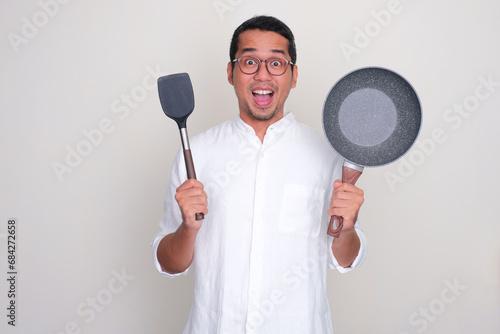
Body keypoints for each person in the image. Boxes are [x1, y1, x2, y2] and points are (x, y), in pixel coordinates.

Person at [151, 15, 367, 333]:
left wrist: (347, 229)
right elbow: (170, 263)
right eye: (249, 61)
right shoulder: (196, 154)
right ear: (231, 72)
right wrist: (187, 228)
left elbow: (344, 260)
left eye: (277, 64)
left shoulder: (327, 156)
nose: (262, 75)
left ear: (294, 76)